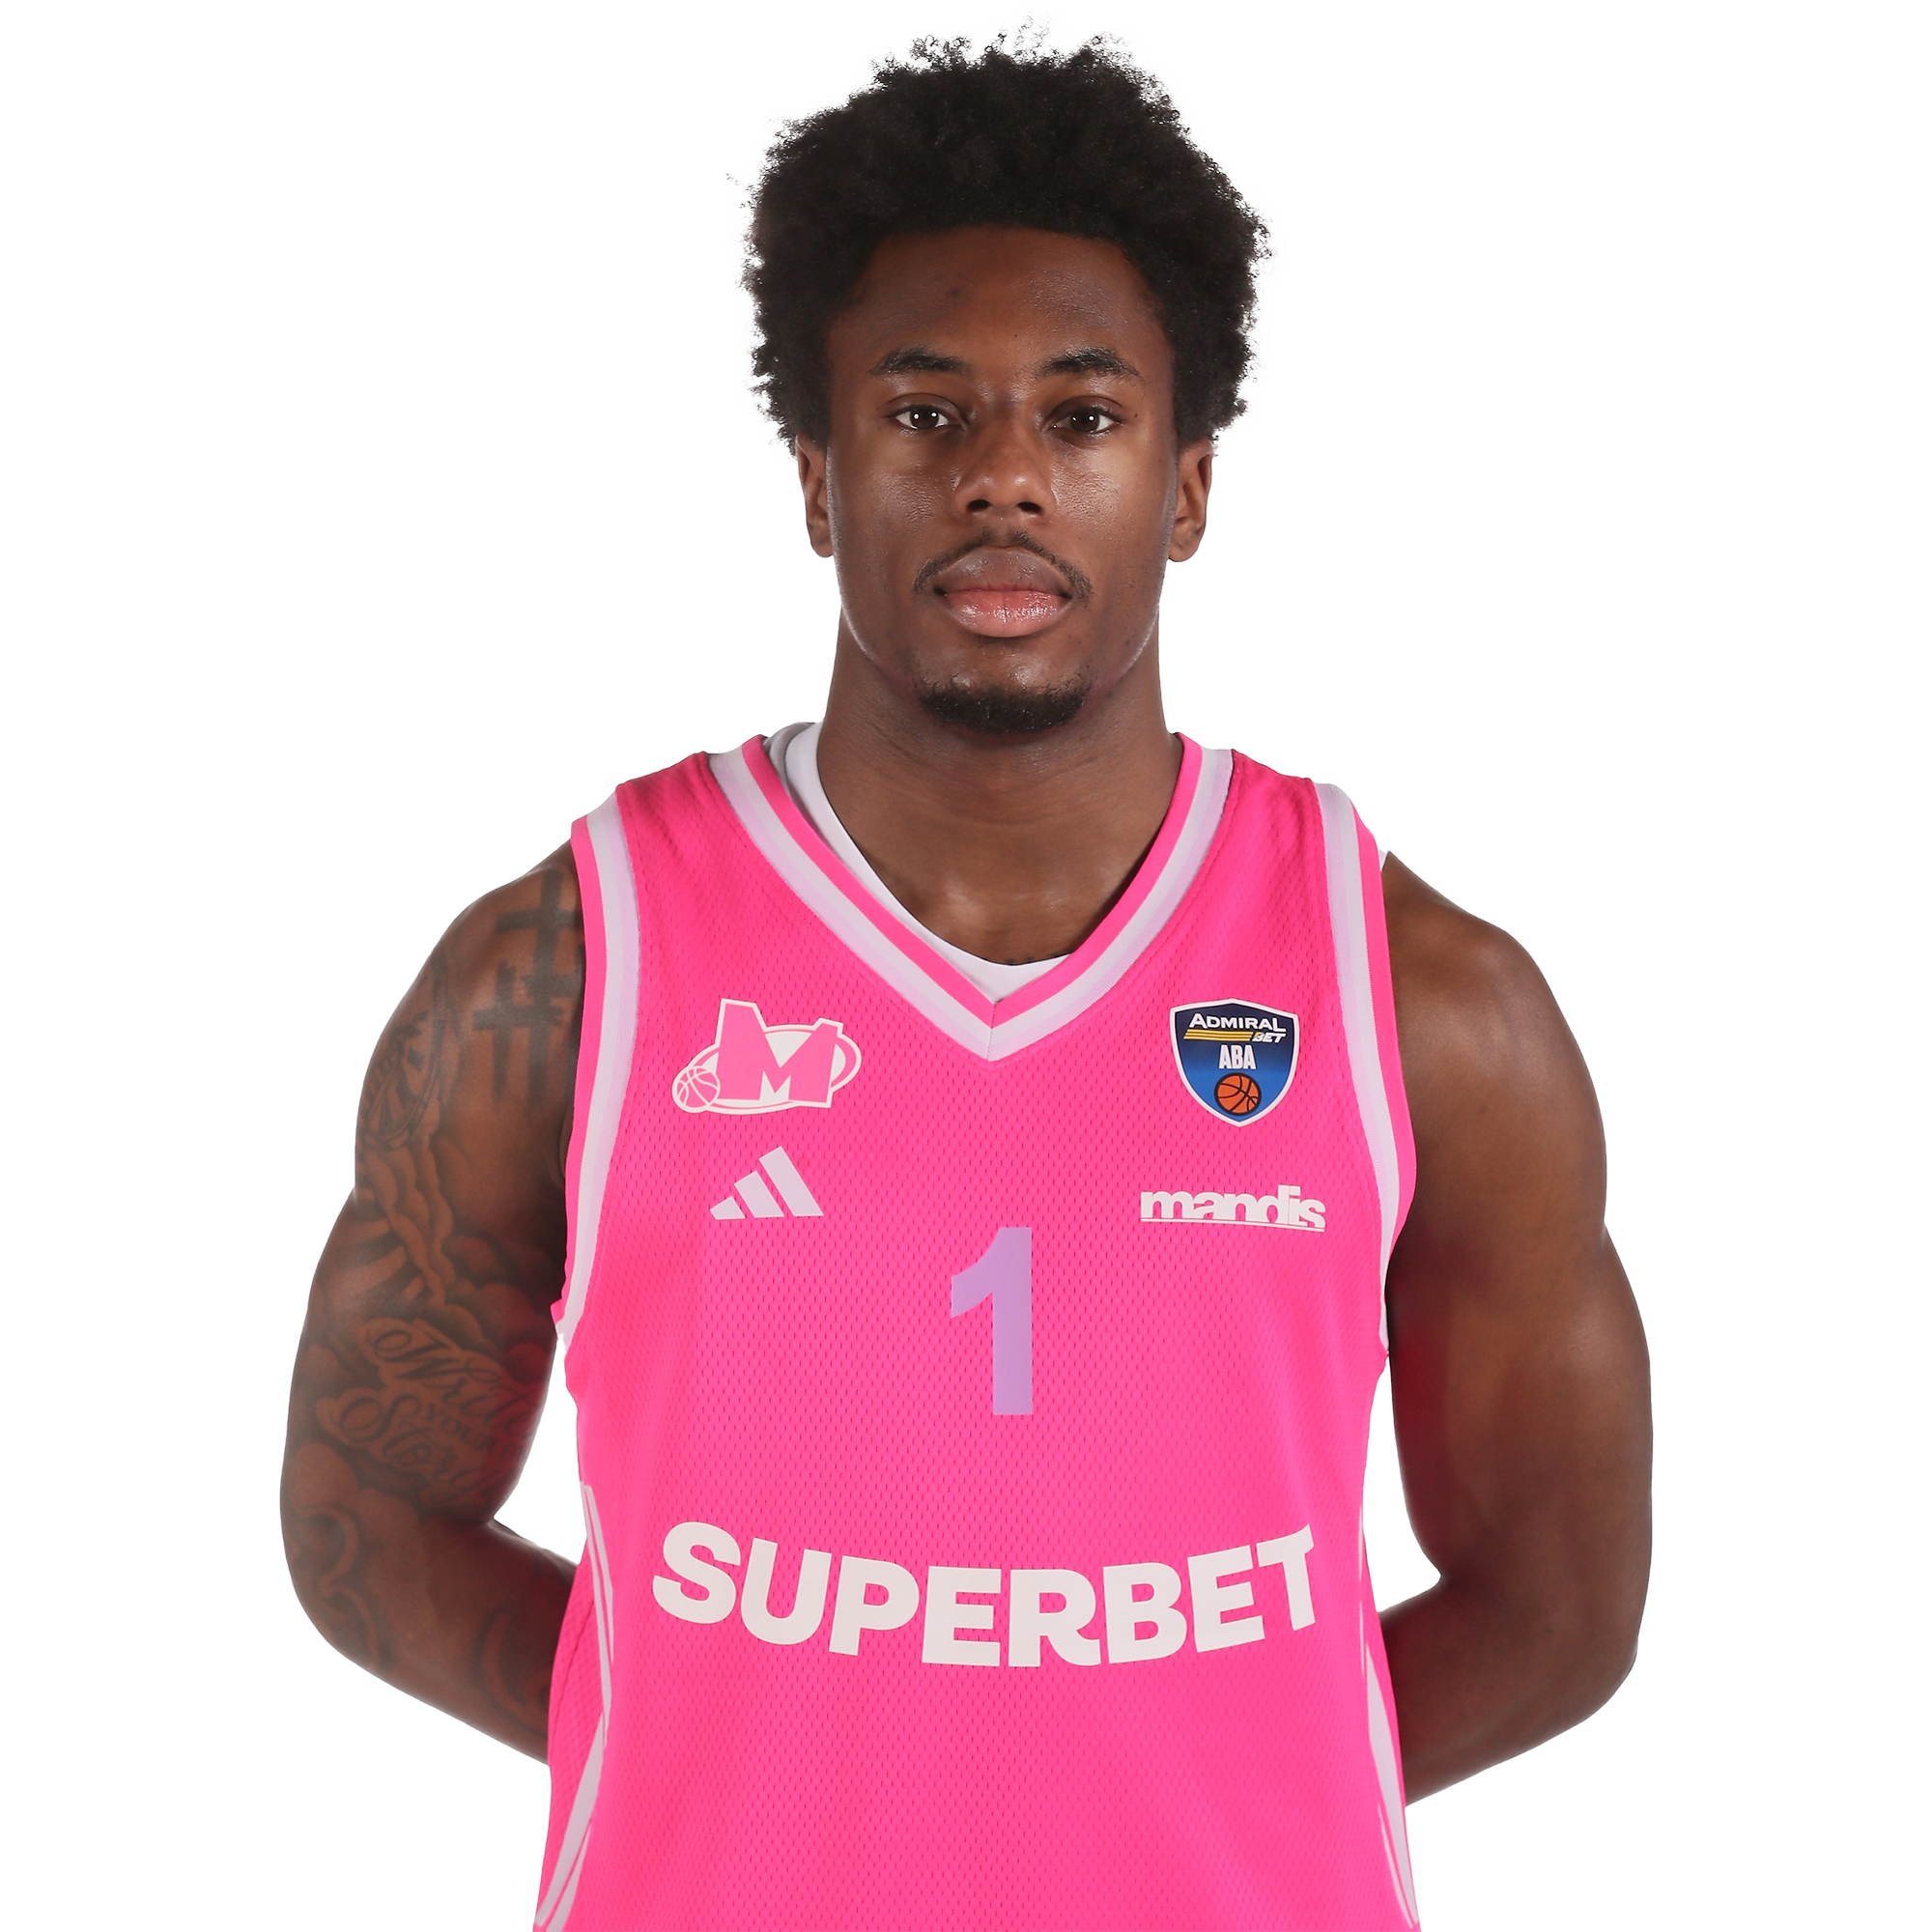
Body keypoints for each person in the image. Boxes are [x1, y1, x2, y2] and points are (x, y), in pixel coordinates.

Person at [282, 28, 1650, 1930]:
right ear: (818, 477)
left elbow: (1563, 1605)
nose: (1004, 477)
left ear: (1185, 487)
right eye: (926, 415)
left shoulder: (1425, 1003)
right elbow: (362, 1525)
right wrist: (713, 1737)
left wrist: (1174, 1772)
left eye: (1082, 417)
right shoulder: (564, 972)